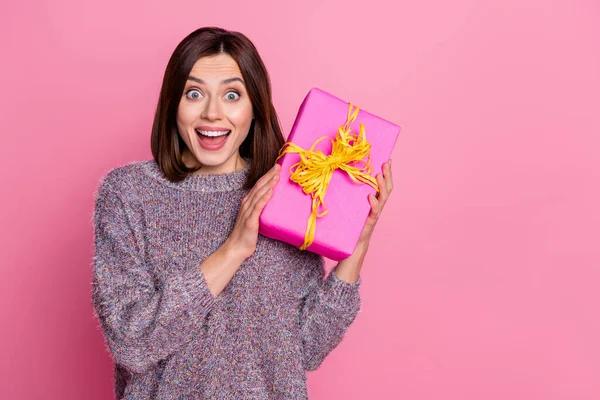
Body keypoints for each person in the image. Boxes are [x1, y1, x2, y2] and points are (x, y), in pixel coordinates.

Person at [92, 26, 393, 399]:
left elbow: (307, 348)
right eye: (194, 93)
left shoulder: (286, 193)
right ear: (174, 104)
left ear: (254, 108)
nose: (213, 113)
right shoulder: (129, 194)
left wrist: (357, 241)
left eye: (232, 95)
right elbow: (132, 342)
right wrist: (233, 249)